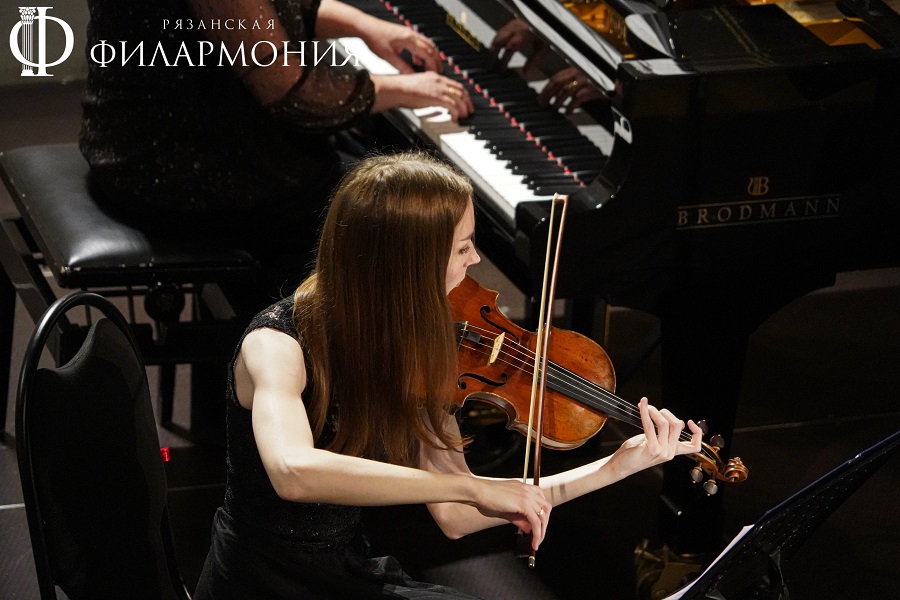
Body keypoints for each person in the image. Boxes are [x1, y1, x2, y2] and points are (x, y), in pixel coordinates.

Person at [192, 151, 703, 599]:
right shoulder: (276, 344)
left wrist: (614, 466)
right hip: (261, 582)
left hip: (344, 570)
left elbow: (456, 515)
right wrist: (473, 489)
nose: (475, 259)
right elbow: (293, 472)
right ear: (407, 262)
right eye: (462, 247)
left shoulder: (421, 346)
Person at [80, 0, 474, 308]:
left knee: (367, 162)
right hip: (180, 172)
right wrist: (409, 89)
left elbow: (272, 10)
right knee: (397, 208)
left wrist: (366, 26)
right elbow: (294, 94)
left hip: (154, 143)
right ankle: (317, 360)